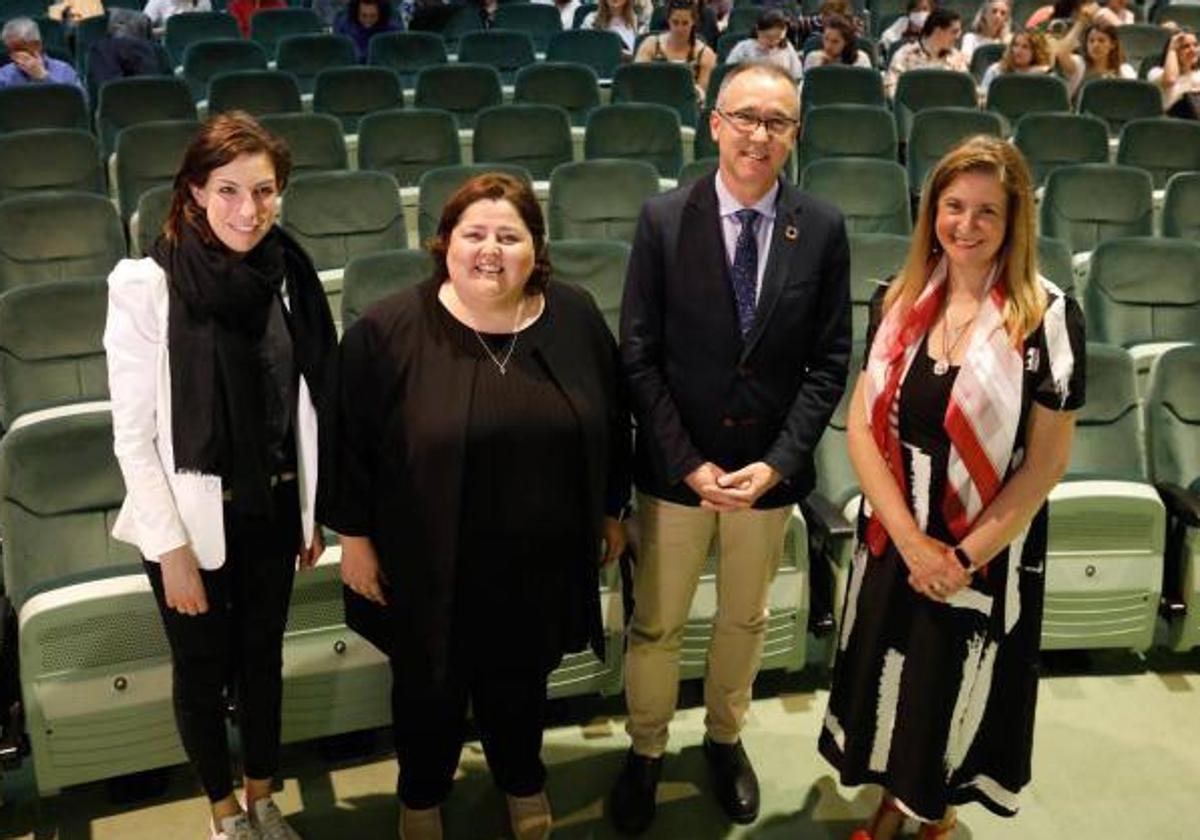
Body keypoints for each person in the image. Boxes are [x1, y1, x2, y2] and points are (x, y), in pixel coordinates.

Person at [321, 173, 630, 840]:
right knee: (426, 689)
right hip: (425, 558)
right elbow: (348, 444)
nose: (491, 250)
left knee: (521, 682)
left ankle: (521, 777)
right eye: (475, 234)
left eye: (509, 236)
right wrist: (355, 540)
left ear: (536, 249)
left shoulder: (573, 315)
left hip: (539, 557)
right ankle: (422, 793)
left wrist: (609, 510)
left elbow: (612, 420)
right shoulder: (387, 329)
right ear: (444, 244)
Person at [819, 134, 1085, 840]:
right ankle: (892, 799)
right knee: (891, 678)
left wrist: (961, 558)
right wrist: (911, 543)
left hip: (986, 543)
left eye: (986, 213)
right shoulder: (897, 299)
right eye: (952, 206)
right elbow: (859, 429)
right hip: (896, 531)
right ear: (931, 209)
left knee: (952, 682)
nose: (965, 226)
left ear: (1014, 221)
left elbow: (1047, 462)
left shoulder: (1047, 317)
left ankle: (932, 808)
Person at [612, 61, 851, 835]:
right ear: (714, 123)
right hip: (677, 473)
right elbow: (639, 356)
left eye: (776, 122)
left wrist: (779, 462)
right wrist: (687, 461)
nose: (759, 134)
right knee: (658, 624)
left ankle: (723, 738)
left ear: (794, 134)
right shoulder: (661, 219)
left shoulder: (820, 226)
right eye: (745, 117)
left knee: (744, 621)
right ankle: (646, 750)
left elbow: (829, 361)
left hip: (767, 476)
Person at [104, 111, 337, 840]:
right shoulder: (145, 283)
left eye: (265, 191)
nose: (250, 209)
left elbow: (302, 408)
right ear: (196, 192)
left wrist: (311, 512)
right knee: (203, 675)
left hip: (273, 508)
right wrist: (170, 549)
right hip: (188, 523)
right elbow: (133, 436)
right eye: (230, 190)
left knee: (264, 662)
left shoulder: (288, 274)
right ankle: (223, 812)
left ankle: (262, 795)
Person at [635, 0, 717, 102]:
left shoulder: (705, 54)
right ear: (668, 20)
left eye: (685, 23)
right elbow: (637, 81)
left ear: (693, 22)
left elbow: (704, 95)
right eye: (675, 22)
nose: (679, 28)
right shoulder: (651, 45)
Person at [1051, 8, 1135, 100]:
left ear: (1113, 45)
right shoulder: (1079, 65)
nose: (1095, 45)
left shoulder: (1124, 71)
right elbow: (1062, 53)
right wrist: (1081, 23)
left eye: (1101, 41)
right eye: (1091, 41)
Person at [885, 7, 969, 99]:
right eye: (954, 32)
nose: (958, 37)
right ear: (938, 31)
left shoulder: (957, 58)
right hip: (915, 110)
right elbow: (891, 88)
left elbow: (968, 92)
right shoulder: (905, 55)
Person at [0, 18, 86, 98]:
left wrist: (44, 77)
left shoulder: (64, 70)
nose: (15, 57)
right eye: (11, 52)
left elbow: (81, 104)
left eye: (20, 50)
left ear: (38, 45)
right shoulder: (4, 74)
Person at [86, 8, 165, 86]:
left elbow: (111, 88)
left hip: (127, 92)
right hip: (151, 93)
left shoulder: (101, 48)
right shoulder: (157, 51)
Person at [727, 8, 806, 80]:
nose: (773, 42)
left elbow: (797, 76)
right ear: (758, 31)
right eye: (768, 37)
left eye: (778, 38)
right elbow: (728, 73)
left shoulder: (787, 48)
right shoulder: (743, 48)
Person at [980, 29, 1052, 94]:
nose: (1018, 51)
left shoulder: (1045, 74)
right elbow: (983, 99)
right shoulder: (995, 71)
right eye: (1015, 45)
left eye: (1025, 47)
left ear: (1036, 52)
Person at [1149, 28, 1200, 116]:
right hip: (1171, 125)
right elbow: (1170, 80)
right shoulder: (1156, 73)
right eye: (1186, 46)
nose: (1193, 50)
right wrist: (1172, 49)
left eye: (1195, 45)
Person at [335, 0, 403, 62]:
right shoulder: (344, 26)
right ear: (356, 13)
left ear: (381, 14)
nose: (368, 20)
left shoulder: (394, 30)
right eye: (364, 16)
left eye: (373, 16)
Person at [803, 12, 872, 70]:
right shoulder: (812, 58)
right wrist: (820, 66)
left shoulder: (861, 59)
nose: (828, 46)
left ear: (846, 42)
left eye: (835, 41)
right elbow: (805, 85)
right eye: (826, 39)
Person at [143, 0, 214, 28]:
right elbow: (141, 31)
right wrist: (166, 31)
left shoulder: (204, 1)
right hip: (168, 47)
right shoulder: (157, 1)